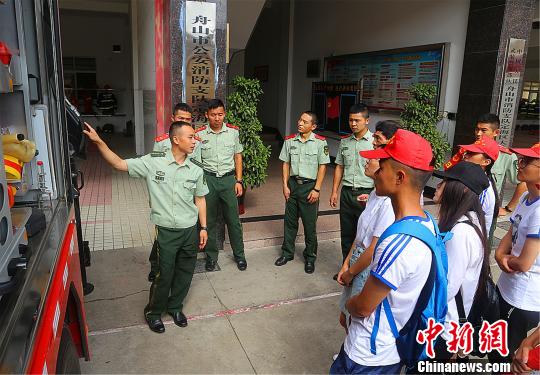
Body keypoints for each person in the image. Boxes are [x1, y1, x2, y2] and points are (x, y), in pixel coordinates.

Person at [83, 121, 208, 334]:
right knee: (164, 274)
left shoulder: (195, 168)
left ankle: (175, 307)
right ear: (175, 139)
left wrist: (203, 227)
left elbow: (200, 199)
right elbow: (119, 164)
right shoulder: (154, 162)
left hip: (190, 229)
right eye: (190, 136)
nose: (194, 141)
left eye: (194, 137)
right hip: (167, 231)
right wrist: (99, 142)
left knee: (185, 272)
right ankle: (153, 312)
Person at [331, 129, 436, 374]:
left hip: (369, 353)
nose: (376, 172)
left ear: (400, 177)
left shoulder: (398, 242)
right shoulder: (424, 222)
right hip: (384, 347)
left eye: (382, 167)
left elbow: (364, 307)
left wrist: (351, 303)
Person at [431, 161, 490, 359]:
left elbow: (447, 288)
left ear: (462, 190)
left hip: (444, 329)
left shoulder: (461, 232)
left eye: (446, 181)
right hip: (449, 325)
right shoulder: (470, 220)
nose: (438, 185)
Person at [335, 139, 395, 335]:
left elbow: (373, 248)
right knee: (345, 315)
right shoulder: (374, 194)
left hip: (365, 265)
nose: (366, 163)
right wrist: (346, 264)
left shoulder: (388, 203)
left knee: (357, 318)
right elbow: (360, 236)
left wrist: (351, 272)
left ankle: (350, 358)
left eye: (373, 160)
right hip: (356, 259)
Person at [494, 143, 540, 364]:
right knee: (496, 348)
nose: (519, 164)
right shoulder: (525, 199)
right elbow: (510, 233)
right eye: (519, 159)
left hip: (523, 298)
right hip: (506, 286)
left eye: (526, 161)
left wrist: (503, 258)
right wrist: (499, 254)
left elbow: (524, 263)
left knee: (510, 356)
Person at [275, 111, 330, 274]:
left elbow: (323, 166)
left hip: (309, 187)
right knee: (290, 222)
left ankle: (310, 258)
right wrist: (285, 185)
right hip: (292, 186)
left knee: (309, 225)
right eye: (300, 120)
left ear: (313, 126)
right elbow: (285, 163)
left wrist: (317, 189)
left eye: (305, 122)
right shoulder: (290, 140)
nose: (300, 123)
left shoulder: (320, 142)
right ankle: (287, 253)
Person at [196, 99, 247, 272]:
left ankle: (239, 255)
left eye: (220, 114)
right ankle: (211, 257)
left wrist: (238, 180)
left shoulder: (233, 132)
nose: (217, 118)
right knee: (208, 221)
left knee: (233, 220)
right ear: (206, 115)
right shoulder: (200, 135)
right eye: (213, 115)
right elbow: (196, 161)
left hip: (228, 180)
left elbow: (237, 156)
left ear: (224, 114)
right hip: (208, 180)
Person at [148, 102, 197, 282]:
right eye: (180, 118)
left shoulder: (195, 142)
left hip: (186, 195)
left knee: (184, 234)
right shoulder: (161, 142)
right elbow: (154, 171)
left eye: (188, 119)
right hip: (165, 197)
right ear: (172, 119)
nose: (184, 121)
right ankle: (156, 266)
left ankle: (177, 266)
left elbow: (196, 168)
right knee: (163, 236)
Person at [330, 104, 374, 274]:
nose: (353, 123)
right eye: (350, 120)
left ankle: (361, 271)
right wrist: (334, 191)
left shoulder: (374, 143)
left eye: (357, 120)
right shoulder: (345, 142)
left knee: (364, 235)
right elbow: (339, 167)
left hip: (367, 193)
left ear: (367, 121)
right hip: (347, 193)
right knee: (347, 233)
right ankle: (345, 268)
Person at [474, 113, 527, 217]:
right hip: (463, 207)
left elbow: (522, 182)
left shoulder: (506, 156)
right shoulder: (467, 151)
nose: (478, 133)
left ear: (496, 132)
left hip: (486, 211)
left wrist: (508, 209)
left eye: (484, 130)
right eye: (477, 129)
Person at [458, 136, 499, 233]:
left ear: (486, 162)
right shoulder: (469, 178)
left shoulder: (484, 190)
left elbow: (475, 223)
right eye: (467, 152)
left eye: (472, 153)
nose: (465, 156)